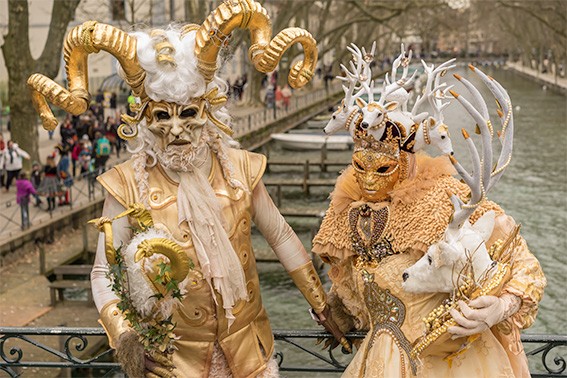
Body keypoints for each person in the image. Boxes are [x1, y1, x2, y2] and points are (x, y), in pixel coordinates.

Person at [26, 4, 335, 378]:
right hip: (173, 364)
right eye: (162, 115)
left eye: (188, 113)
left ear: (207, 109)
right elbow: (102, 271)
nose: (175, 129)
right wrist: (125, 337)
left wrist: (323, 304)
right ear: (143, 118)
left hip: (250, 354)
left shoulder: (239, 168)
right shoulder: (126, 184)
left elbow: (281, 235)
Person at [311, 50, 546, 377]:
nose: (367, 179)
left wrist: (500, 306)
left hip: (448, 362)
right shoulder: (348, 210)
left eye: (381, 168)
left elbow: (522, 263)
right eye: (359, 166)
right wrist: (338, 312)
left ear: (404, 161)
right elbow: (361, 286)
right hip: (379, 358)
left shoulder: (446, 199)